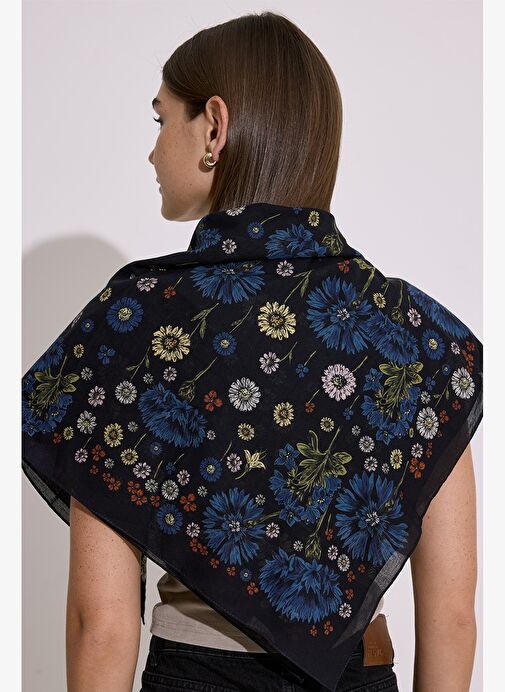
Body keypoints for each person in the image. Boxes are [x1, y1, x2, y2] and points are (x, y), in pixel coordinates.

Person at [22, 10, 482, 692]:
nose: (152, 152)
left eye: (160, 120)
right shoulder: (418, 337)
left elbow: (103, 625)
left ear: (214, 128)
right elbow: (451, 618)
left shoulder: (133, 320)